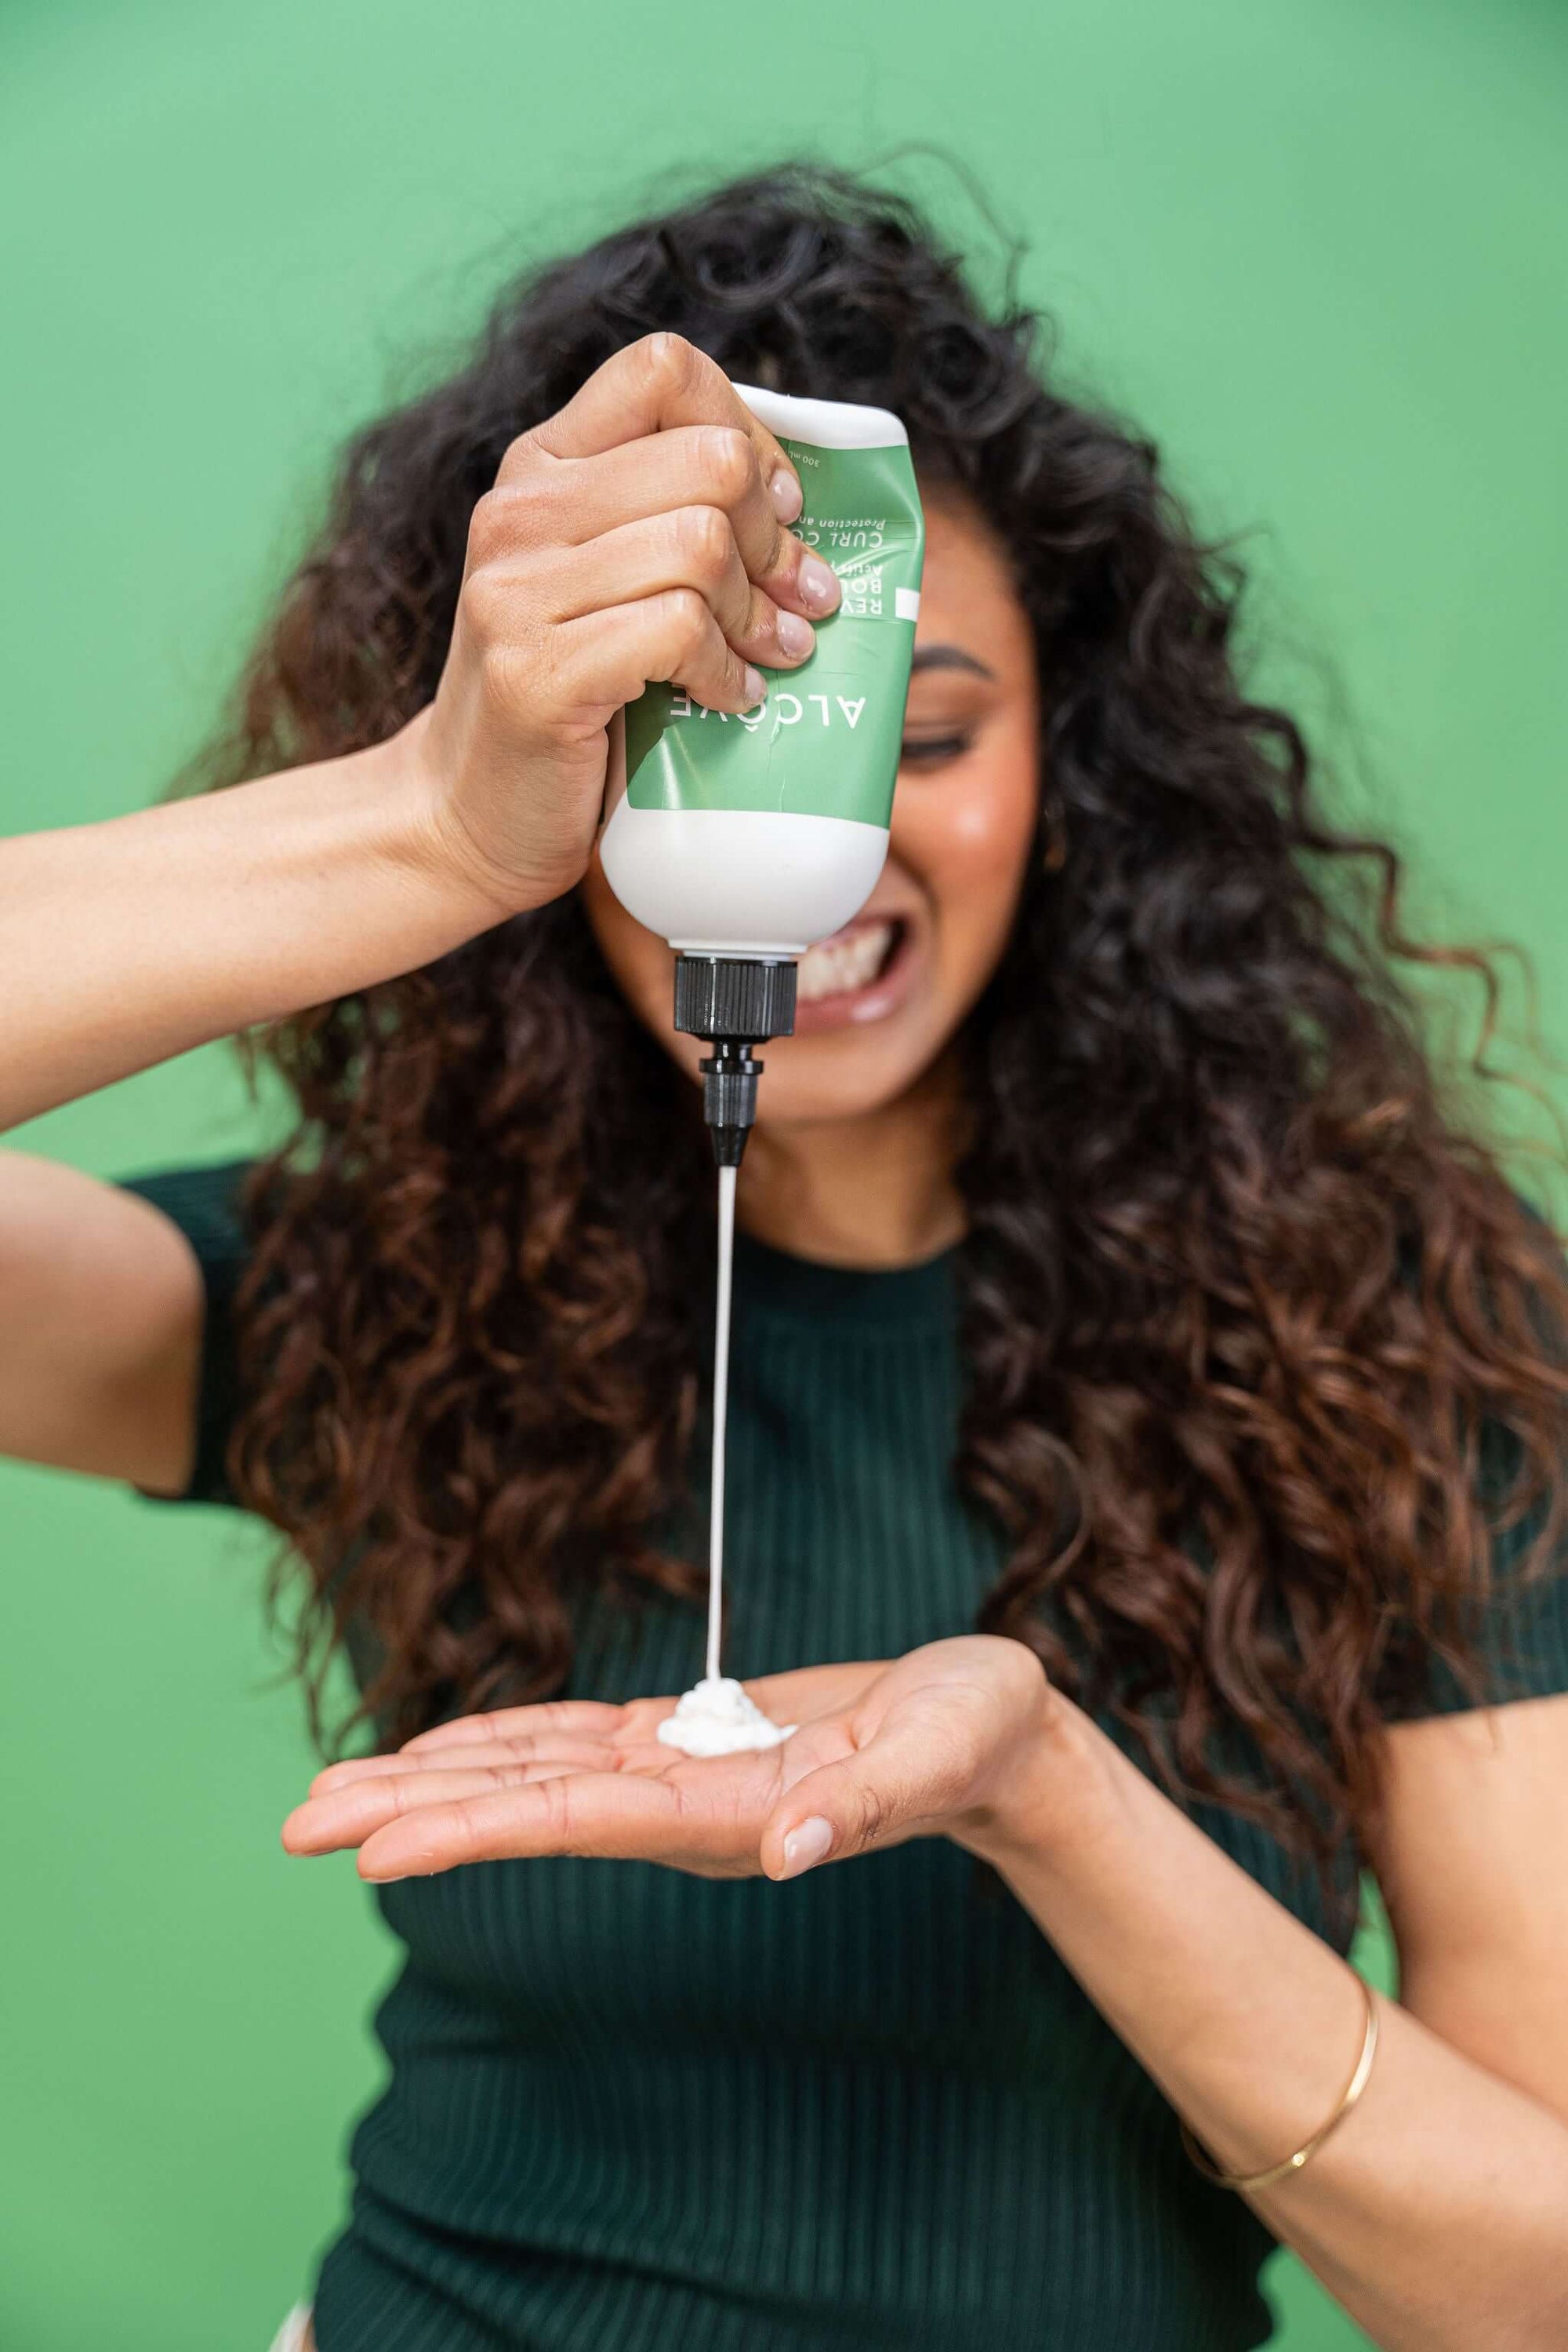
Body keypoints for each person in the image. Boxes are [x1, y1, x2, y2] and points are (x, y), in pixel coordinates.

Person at [3, 165, 1566, 2352]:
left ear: (1079, 769)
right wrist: (430, 823)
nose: (835, 849)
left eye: (925, 737)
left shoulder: (1387, 1348)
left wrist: (1049, 1802)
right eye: (677, 742)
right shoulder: (409, 1296)